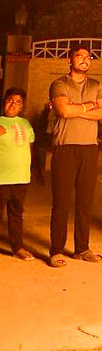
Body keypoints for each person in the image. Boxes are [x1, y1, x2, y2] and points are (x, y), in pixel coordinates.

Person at [48, 44, 102, 267]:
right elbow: (63, 110)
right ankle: (56, 250)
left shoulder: (96, 84)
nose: (85, 59)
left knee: (85, 202)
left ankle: (82, 248)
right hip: (65, 148)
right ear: (70, 61)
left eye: (88, 56)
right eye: (79, 56)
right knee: (62, 202)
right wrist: (89, 107)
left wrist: (78, 109)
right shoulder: (59, 84)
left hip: (89, 149)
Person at [0, 88, 36, 261]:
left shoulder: (26, 124)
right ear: (4, 101)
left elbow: (29, 148)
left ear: (22, 106)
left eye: (18, 102)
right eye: (10, 100)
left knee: (16, 214)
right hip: (1, 178)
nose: (13, 104)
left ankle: (18, 247)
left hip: (21, 177)